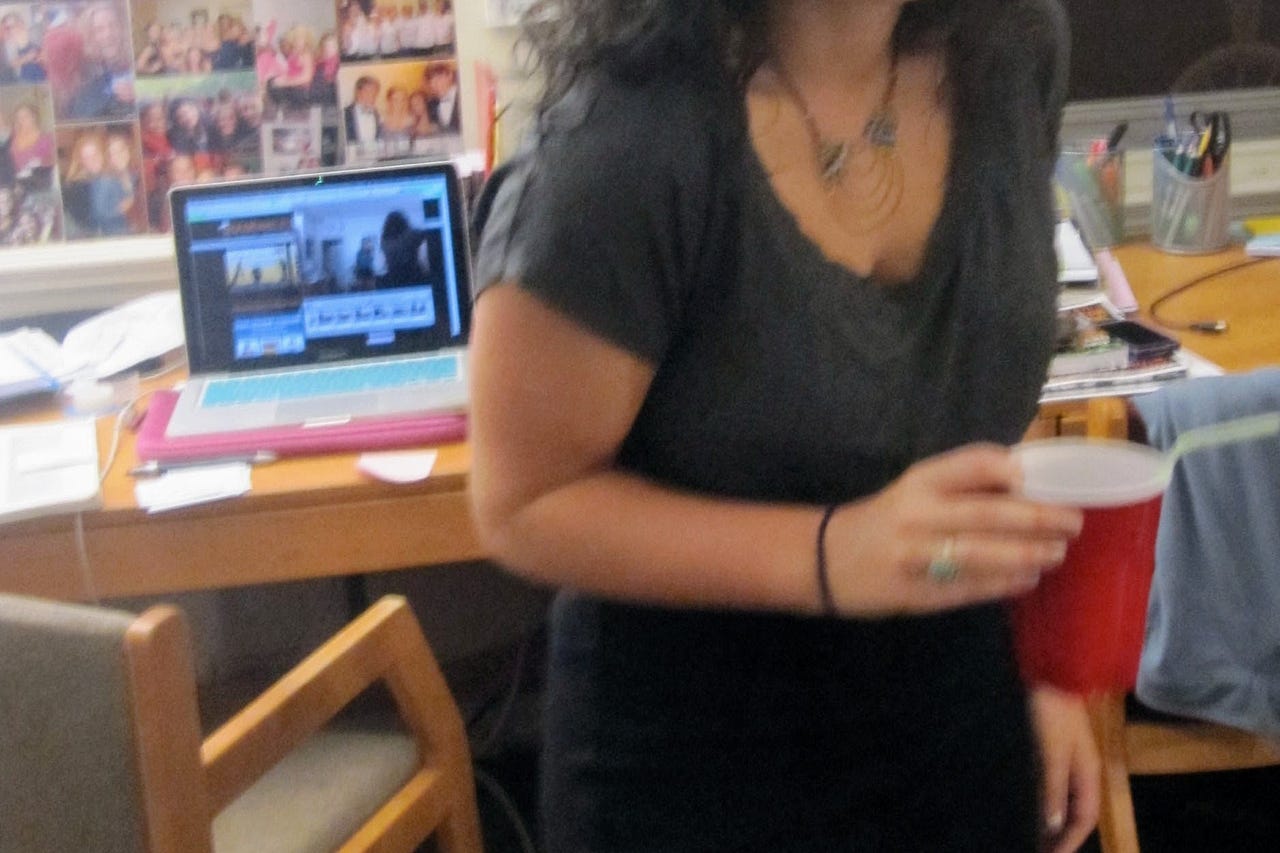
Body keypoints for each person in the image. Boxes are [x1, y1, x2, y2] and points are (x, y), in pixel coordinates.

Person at [469, 1, 1101, 852]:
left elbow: (962, 392)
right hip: (697, 760)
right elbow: (522, 504)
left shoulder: (1014, 46)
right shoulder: (628, 139)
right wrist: (833, 552)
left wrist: (1048, 666)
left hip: (960, 712)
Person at [344, 75, 382, 148]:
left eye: (375, 92)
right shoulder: (345, 114)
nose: (372, 95)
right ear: (358, 92)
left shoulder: (377, 114)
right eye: (368, 91)